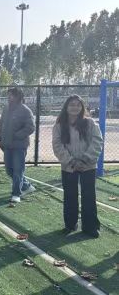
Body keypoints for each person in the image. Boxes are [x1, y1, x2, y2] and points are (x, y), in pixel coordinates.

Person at [52, 95, 103, 238]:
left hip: (88, 166)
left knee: (89, 196)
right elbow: (57, 145)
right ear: (66, 107)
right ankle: (70, 225)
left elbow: (97, 141)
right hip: (69, 167)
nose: (75, 107)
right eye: (71, 105)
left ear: (82, 107)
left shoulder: (90, 123)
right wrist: (71, 161)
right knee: (70, 196)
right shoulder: (59, 125)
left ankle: (90, 227)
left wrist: (85, 159)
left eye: (78, 105)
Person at [0, 86, 36, 203]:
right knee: (9, 170)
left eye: (12, 95)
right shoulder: (6, 108)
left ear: (18, 96)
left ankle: (16, 194)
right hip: (7, 145)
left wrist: (17, 135)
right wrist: (0, 138)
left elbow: (31, 127)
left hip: (19, 146)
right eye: (8, 95)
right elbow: (2, 124)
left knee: (18, 170)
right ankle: (27, 186)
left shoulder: (25, 110)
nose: (9, 97)